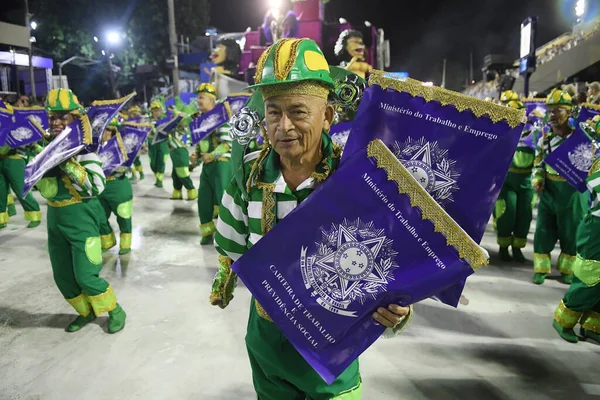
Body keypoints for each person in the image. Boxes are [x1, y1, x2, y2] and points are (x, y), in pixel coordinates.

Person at [210, 38, 411, 399]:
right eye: (273, 111)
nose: (283, 125)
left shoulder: (358, 180)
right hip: (267, 340)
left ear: (328, 117)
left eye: (299, 112)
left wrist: (399, 307)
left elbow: (393, 260)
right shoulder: (248, 177)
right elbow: (231, 243)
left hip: (332, 343)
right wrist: (225, 276)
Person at [39, 88, 126, 333]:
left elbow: (96, 187)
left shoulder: (85, 150)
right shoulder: (46, 147)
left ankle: (115, 310)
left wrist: (66, 161)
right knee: (63, 276)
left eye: (62, 116)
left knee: (86, 275)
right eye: (52, 117)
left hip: (82, 220)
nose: (55, 121)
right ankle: (86, 312)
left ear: (75, 119)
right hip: (55, 220)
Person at [552, 116, 600, 344]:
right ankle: (564, 319)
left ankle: (592, 325)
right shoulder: (596, 159)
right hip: (596, 229)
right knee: (591, 277)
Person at [531, 89, 587, 285]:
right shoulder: (544, 138)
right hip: (549, 192)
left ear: (569, 112)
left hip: (573, 193)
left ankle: (567, 269)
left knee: (571, 232)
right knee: (543, 231)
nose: (553, 115)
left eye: (559, 110)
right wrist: (537, 179)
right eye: (550, 111)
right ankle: (541, 268)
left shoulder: (580, 138)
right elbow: (538, 163)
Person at [494, 93, 535, 262]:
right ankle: (503, 247)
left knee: (524, 215)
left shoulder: (534, 132)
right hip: (507, 180)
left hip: (527, 181)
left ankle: (518, 248)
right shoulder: (501, 131)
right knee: (507, 214)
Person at [191, 83, 233, 245]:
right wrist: (196, 158)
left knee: (223, 200)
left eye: (201, 98)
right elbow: (200, 145)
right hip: (207, 166)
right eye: (198, 97)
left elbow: (227, 143)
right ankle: (207, 233)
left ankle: (227, 235)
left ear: (211, 100)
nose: (198, 101)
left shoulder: (221, 118)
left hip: (222, 165)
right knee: (203, 200)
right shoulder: (200, 122)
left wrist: (212, 155)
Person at [0, 103, 42, 229]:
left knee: (21, 189)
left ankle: (34, 214)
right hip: (0, 161)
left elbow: (30, 142)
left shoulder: (18, 126)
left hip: (15, 160)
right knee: (0, 192)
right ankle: (1, 219)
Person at [98, 118, 134, 255]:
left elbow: (125, 168)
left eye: (108, 130)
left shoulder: (121, 147)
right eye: (103, 129)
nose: (104, 133)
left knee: (123, 217)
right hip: (100, 187)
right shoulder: (94, 147)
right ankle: (107, 241)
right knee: (99, 216)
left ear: (113, 132)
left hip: (118, 187)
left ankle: (125, 244)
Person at [148, 100, 169, 188]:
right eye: (154, 111)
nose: (156, 113)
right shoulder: (148, 121)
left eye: (158, 110)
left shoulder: (165, 121)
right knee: (153, 163)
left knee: (161, 162)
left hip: (162, 144)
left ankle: (159, 180)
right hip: (152, 144)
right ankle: (157, 176)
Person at [126, 105, 145, 181]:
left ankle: (140, 173)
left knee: (135, 160)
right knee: (130, 160)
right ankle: (135, 174)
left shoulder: (139, 122)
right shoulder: (128, 121)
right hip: (128, 144)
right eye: (130, 113)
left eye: (133, 113)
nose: (131, 115)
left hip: (136, 144)